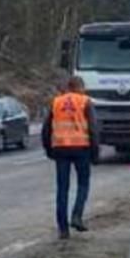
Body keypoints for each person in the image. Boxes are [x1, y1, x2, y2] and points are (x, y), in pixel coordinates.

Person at [41, 76, 97, 240]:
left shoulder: (56, 102)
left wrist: (49, 149)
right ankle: (77, 215)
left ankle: (63, 229)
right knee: (83, 184)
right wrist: (95, 151)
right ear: (80, 87)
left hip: (60, 148)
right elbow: (93, 128)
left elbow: (46, 129)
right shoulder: (85, 102)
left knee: (62, 189)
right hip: (81, 148)